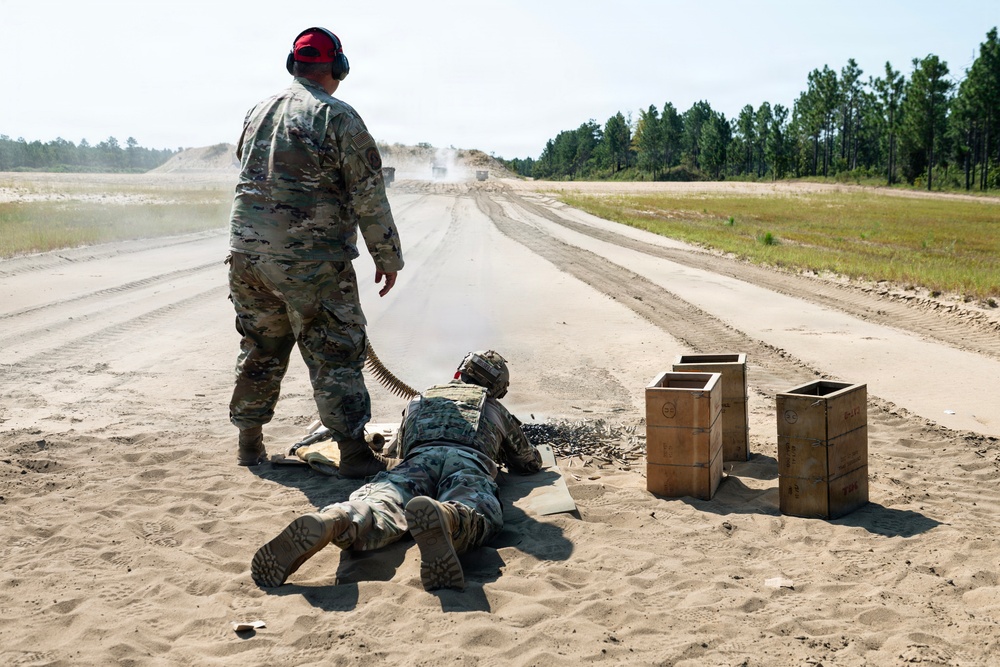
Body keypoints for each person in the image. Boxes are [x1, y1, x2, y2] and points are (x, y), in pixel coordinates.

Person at [228, 27, 403, 477]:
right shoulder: (338, 117)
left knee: (260, 349)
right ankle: (354, 453)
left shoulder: (258, 111)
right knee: (336, 354)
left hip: (247, 257)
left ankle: (249, 444)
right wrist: (387, 256)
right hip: (312, 261)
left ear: (295, 65)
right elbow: (369, 195)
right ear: (338, 68)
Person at [251, 351, 543, 591]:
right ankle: (449, 518)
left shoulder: (419, 400)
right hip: (467, 462)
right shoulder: (492, 407)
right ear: (496, 389)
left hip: (417, 461)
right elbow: (527, 461)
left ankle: (338, 519)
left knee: (383, 500)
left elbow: (400, 449)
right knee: (475, 507)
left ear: (459, 374)